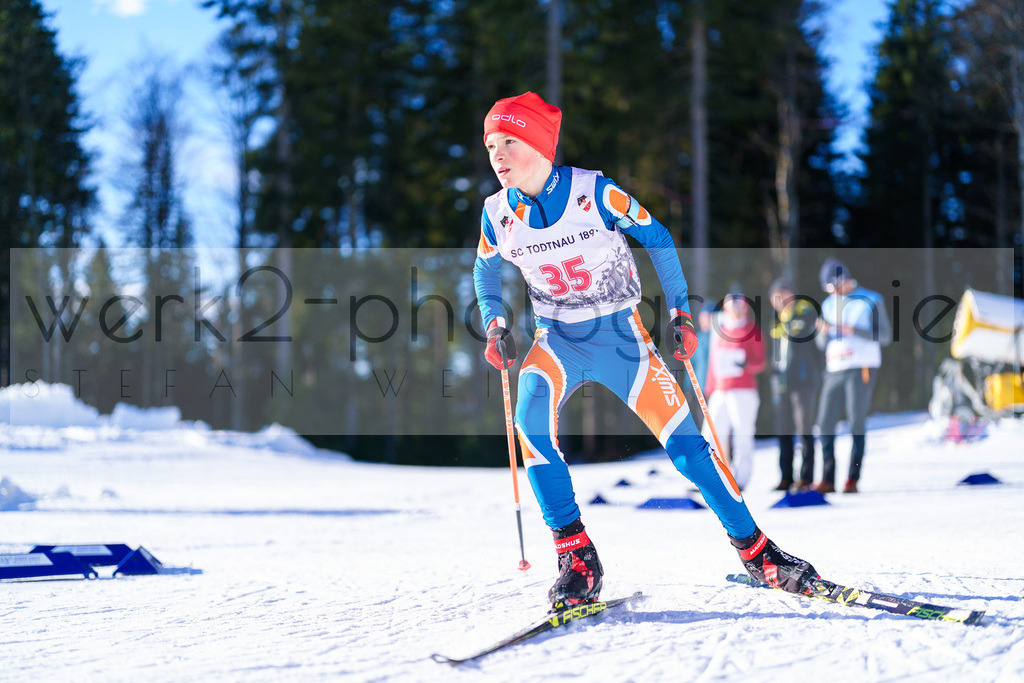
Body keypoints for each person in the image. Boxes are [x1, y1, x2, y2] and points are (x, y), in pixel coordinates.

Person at [472, 91, 818, 608]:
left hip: (623, 340)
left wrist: (680, 312)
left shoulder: (596, 193)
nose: (497, 155)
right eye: (490, 145)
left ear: (542, 145)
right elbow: (484, 270)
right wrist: (496, 322)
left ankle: (757, 552)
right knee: (530, 422)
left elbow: (657, 237)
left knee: (688, 451)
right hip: (557, 341)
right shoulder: (495, 213)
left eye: (509, 141)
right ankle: (576, 556)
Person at [814, 258, 891, 494]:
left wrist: (853, 331)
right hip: (834, 368)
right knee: (825, 423)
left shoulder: (871, 299)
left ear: (846, 279)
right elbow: (821, 344)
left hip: (861, 367)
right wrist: (823, 332)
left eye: (836, 285)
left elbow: (885, 336)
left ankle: (852, 478)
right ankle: (827, 479)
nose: (834, 291)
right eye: (829, 288)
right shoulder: (827, 305)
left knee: (856, 422)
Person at [702, 289, 766, 491]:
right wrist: (709, 388)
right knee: (712, 434)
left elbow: (761, 362)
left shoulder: (751, 329)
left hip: (743, 391)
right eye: (731, 304)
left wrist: (745, 364)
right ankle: (716, 477)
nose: (735, 309)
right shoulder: (720, 329)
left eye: (739, 305)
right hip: (720, 390)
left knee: (742, 434)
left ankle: (741, 480)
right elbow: (713, 361)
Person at [767, 278, 823, 491]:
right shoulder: (776, 319)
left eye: (780, 296)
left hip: (803, 380)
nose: (777, 302)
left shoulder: (804, 311)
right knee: (784, 430)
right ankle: (786, 477)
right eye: (773, 298)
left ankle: (806, 477)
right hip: (781, 382)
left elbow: (801, 333)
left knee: (804, 429)